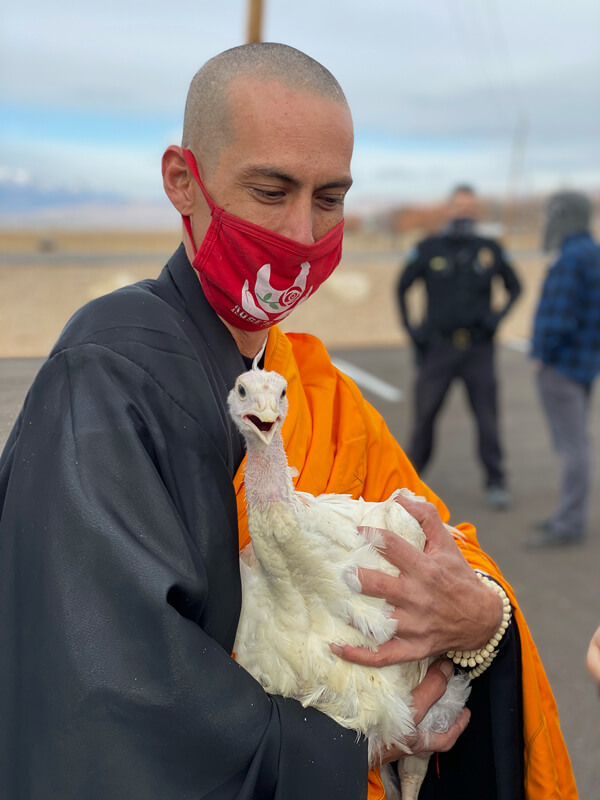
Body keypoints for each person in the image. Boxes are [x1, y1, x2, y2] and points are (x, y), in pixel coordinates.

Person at [0, 44, 575, 800]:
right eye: (271, 191)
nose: (303, 235)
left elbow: (438, 549)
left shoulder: (314, 384)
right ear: (183, 181)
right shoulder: (110, 372)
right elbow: (108, 693)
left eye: (330, 198)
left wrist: (481, 618)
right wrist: (351, 745)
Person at [397, 186, 521, 510]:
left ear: (476, 210)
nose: (464, 213)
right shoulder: (428, 247)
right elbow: (402, 287)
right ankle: (409, 484)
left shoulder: (490, 248)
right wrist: (413, 331)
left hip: (479, 350)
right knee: (424, 417)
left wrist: (498, 318)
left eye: (470, 207)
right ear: (449, 209)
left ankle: (496, 481)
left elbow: (515, 287)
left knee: (487, 418)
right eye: (459, 206)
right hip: (438, 350)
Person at [527, 191, 600, 548]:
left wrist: (542, 354)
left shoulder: (570, 258)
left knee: (573, 447)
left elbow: (559, 317)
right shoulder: (593, 253)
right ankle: (566, 516)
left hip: (563, 367)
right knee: (576, 445)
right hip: (585, 364)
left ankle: (569, 523)